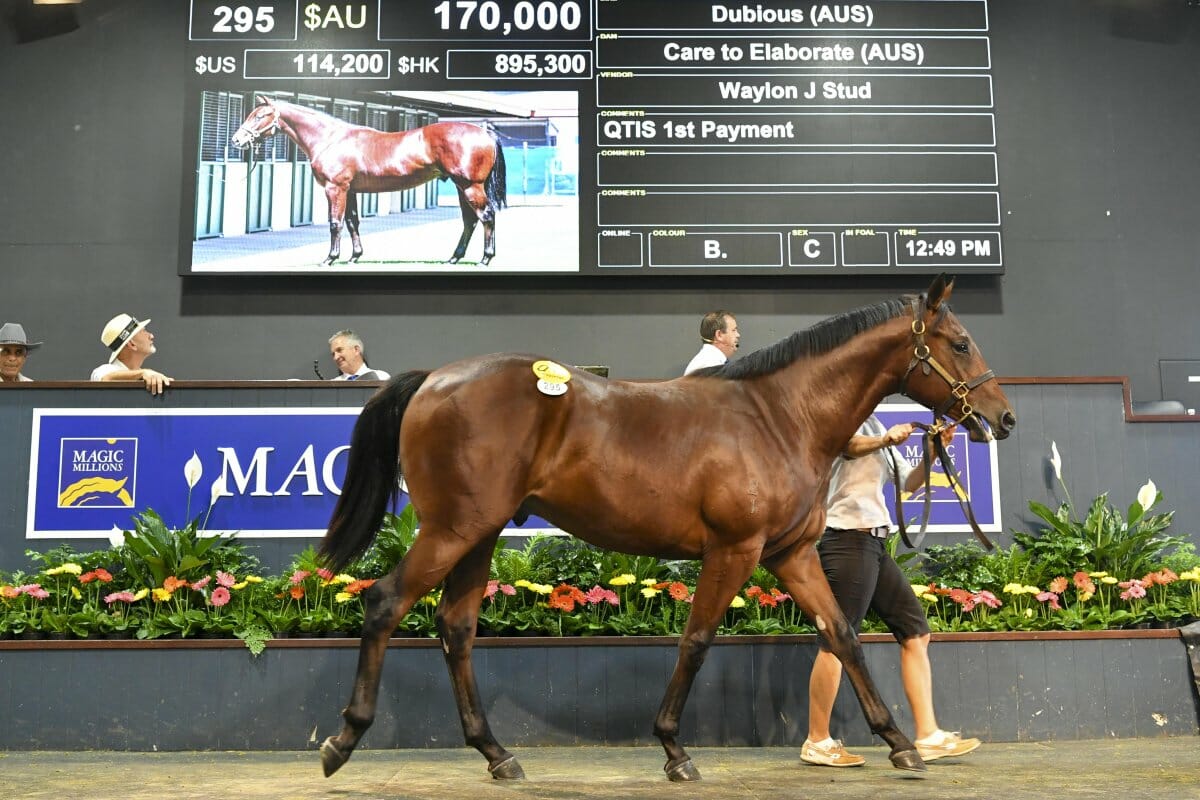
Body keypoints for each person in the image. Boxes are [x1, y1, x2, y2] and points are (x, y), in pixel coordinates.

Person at [802, 415, 980, 768]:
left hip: (876, 542)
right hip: (846, 541)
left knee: (916, 633)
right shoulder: (841, 417)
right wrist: (886, 439)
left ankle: (927, 735)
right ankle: (817, 740)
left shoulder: (872, 422)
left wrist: (932, 452)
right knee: (837, 642)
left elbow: (908, 484)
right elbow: (849, 447)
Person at [91, 314, 173, 395]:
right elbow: (106, 378)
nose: (151, 336)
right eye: (143, 331)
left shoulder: (148, 376)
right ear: (131, 344)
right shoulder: (104, 370)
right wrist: (143, 373)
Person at [683, 310, 740, 375]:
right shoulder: (710, 364)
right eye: (734, 330)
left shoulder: (709, 360)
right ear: (719, 335)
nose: (738, 335)